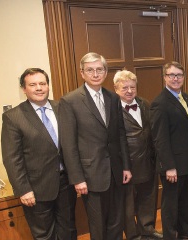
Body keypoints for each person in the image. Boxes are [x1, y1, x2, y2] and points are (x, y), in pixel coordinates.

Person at [60, 52, 132, 240]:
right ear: (82, 73)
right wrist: (77, 178)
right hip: (90, 174)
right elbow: (68, 145)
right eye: (90, 70)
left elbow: (120, 135)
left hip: (116, 172)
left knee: (116, 221)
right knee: (98, 224)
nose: (95, 74)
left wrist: (125, 166)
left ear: (106, 72)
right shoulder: (70, 101)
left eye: (99, 69)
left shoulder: (113, 98)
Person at [2, 68, 77, 240]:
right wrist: (24, 190)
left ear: (48, 86)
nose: (39, 88)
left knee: (69, 229)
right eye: (32, 84)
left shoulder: (62, 108)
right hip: (36, 189)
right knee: (44, 235)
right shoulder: (13, 117)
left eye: (42, 83)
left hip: (66, 184)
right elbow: (12, 159)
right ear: (24, 89)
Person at [150, 62, 188, 240]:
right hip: (173, 165)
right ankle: (170, 235)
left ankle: (186, 229)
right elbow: (160, 139)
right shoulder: (160, 103)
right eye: (171, 75)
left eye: (179, 75)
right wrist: (169, 167)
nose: (175, 78)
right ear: (165, 77)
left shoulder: (186, 97)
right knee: (170, 204)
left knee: (186, 200)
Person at [113, 70, 162, 240]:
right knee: (128, 203)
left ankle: (147, 229)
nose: (129, 91)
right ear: (116, 89)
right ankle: (133, 235)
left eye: (132, 87)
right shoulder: (112, 109)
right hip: (127, 165)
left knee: (148, 198)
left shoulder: (145, 103)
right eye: (124, 87)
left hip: (148, 161)